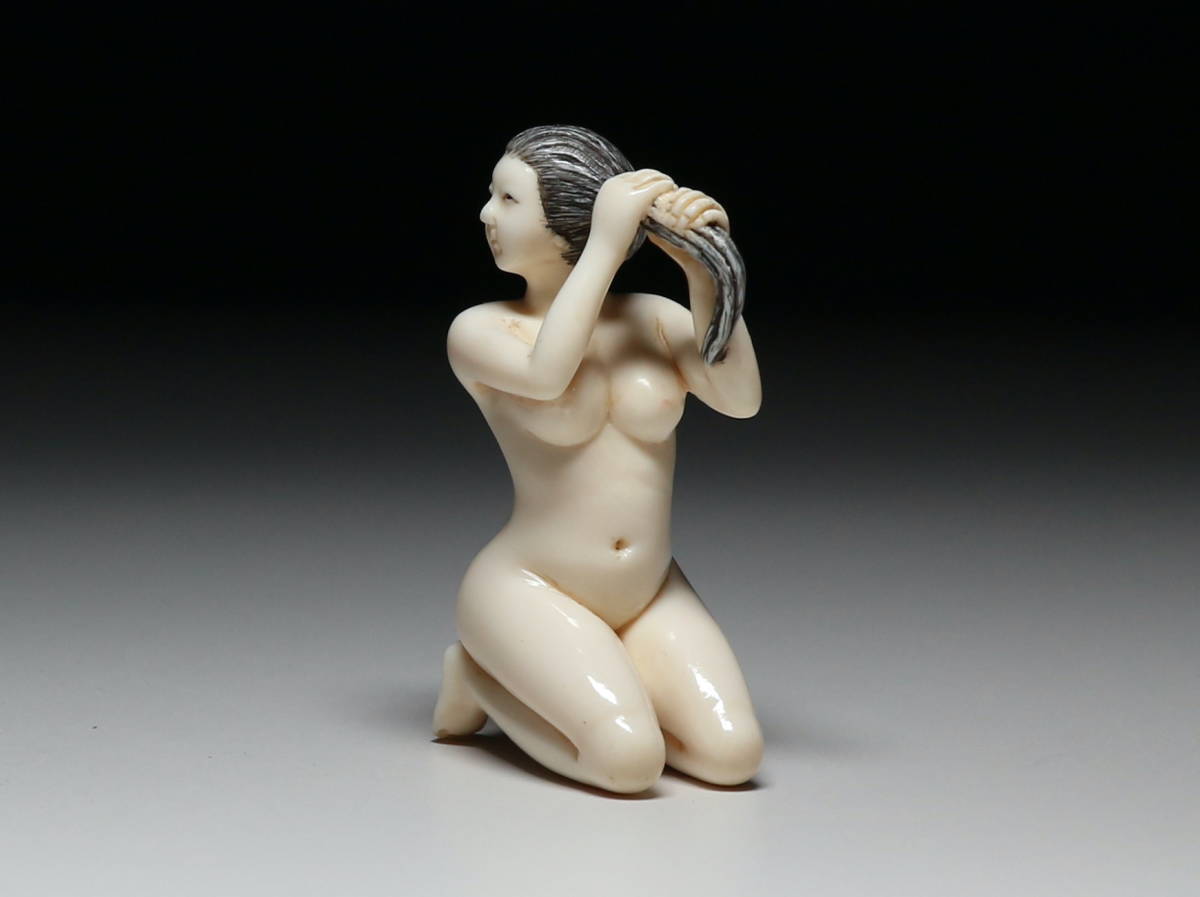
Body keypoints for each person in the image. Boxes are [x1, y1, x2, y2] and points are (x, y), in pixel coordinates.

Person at [433, 125, 764, 793]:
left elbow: (740, 400)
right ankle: (476, 674)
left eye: (507, 199)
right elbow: (547, 374)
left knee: (735, 756)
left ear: (569, 220)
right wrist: (607, 248)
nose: (486, 214)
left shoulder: (654, 319)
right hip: (530, 586)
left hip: (650, 590)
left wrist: (703, 271)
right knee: (626, 761)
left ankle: (598, 670)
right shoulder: (482, 329)